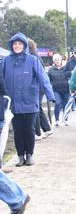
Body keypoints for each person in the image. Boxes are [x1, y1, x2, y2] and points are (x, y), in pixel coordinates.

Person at [2, 33, 55, 167]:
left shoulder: (32, 60)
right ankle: (20, 156)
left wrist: (50, 95)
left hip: (30, 101)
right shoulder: (6, 61)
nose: (17, 46)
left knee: (29, 130)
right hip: (13, 103)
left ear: (24, 45)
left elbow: (43, 78)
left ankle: (29, 155)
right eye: (15, 44)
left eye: (20, 44)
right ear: (11, 46)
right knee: (18, 131)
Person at [27, 39, 53, 139]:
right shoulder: (36, 56)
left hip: (37, 86)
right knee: (39, 108)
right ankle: (47, 129)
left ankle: (37, 133)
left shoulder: (33, 58)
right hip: (40, 86)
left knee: (35, 108)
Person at [48, 54, 70, 126]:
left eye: (58, 59)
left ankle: (65, 120)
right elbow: (48, 80)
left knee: (65, 105)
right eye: (55, 60)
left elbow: (71, 77)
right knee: (57, 103)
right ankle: (57, 120)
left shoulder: (66, 68)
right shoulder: (51, 70)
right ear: (54, 61)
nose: (57, 61)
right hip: (56, 90)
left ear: (61, 60)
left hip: (66, 90)